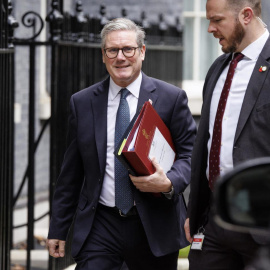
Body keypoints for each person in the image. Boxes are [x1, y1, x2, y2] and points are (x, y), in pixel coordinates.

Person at [46, 17, 196, 270]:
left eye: (128, 49)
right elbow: (70, 173)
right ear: (103, 56)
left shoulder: (171, 98)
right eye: (112, 50)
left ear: (142, 52)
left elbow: (190, 155)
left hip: (154, 224)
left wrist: (169, 182)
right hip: (100, 223)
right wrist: (58, 228)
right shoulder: (82, 103)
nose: (120, 57)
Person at [184, 0, 270, 269]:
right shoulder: (218, 67)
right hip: (214, 222)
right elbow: (206, 144)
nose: (210, 28)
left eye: (217, 20)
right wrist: (194, 211)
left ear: (246, 15)